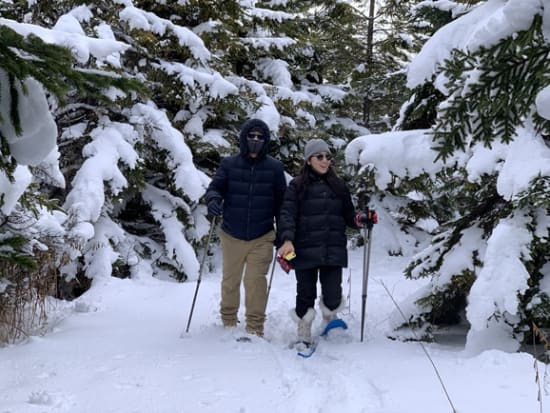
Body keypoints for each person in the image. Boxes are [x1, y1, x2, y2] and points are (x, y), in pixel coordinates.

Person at [277, 138, 370, 347]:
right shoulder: (296, 186)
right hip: (304, 249)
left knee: (333, 292)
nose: (325, 160)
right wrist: (287, 239)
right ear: (309, 160)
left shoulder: (338, 185)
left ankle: (330, 321)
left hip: (332, 248)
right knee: (305, 292)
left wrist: (361, 219)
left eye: (328, 157)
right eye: (320, 156)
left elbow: (349, 215)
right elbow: (287, 215)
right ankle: (304, 328)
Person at [204, 118, 287, 337]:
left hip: (262, 234)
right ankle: (228, 321)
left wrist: (284, 233)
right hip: (232, 233)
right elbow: (215, 189)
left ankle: (255, 326)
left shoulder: (275, 168)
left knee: (255, 281)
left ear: (266, 140)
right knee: (230, 280)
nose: (256, 140)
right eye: (252, 136)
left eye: (260, 137)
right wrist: (213, 201)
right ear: (244, 138)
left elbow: (282, 205)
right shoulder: (229, 164)